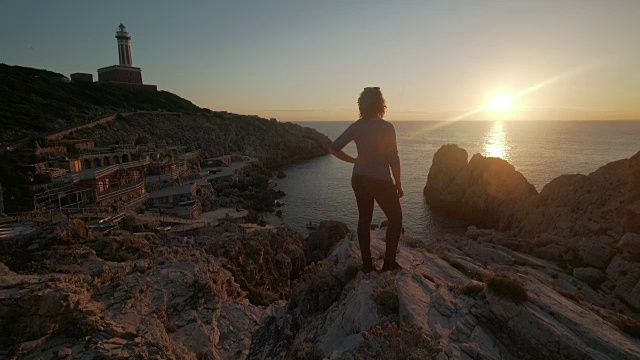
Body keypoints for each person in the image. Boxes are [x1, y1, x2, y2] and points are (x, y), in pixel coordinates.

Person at [330, 87, 403, 273]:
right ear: (381, 103)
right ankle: (389, 263)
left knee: (364, 219)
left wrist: (353, 160)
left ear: (361, 104)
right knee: (395, 219)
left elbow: (334, 148)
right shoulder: (387, 127)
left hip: (359, 177)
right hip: (380, 180)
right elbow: (393, 158)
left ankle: (367, 264)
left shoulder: (356, 126)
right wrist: (399, 184)